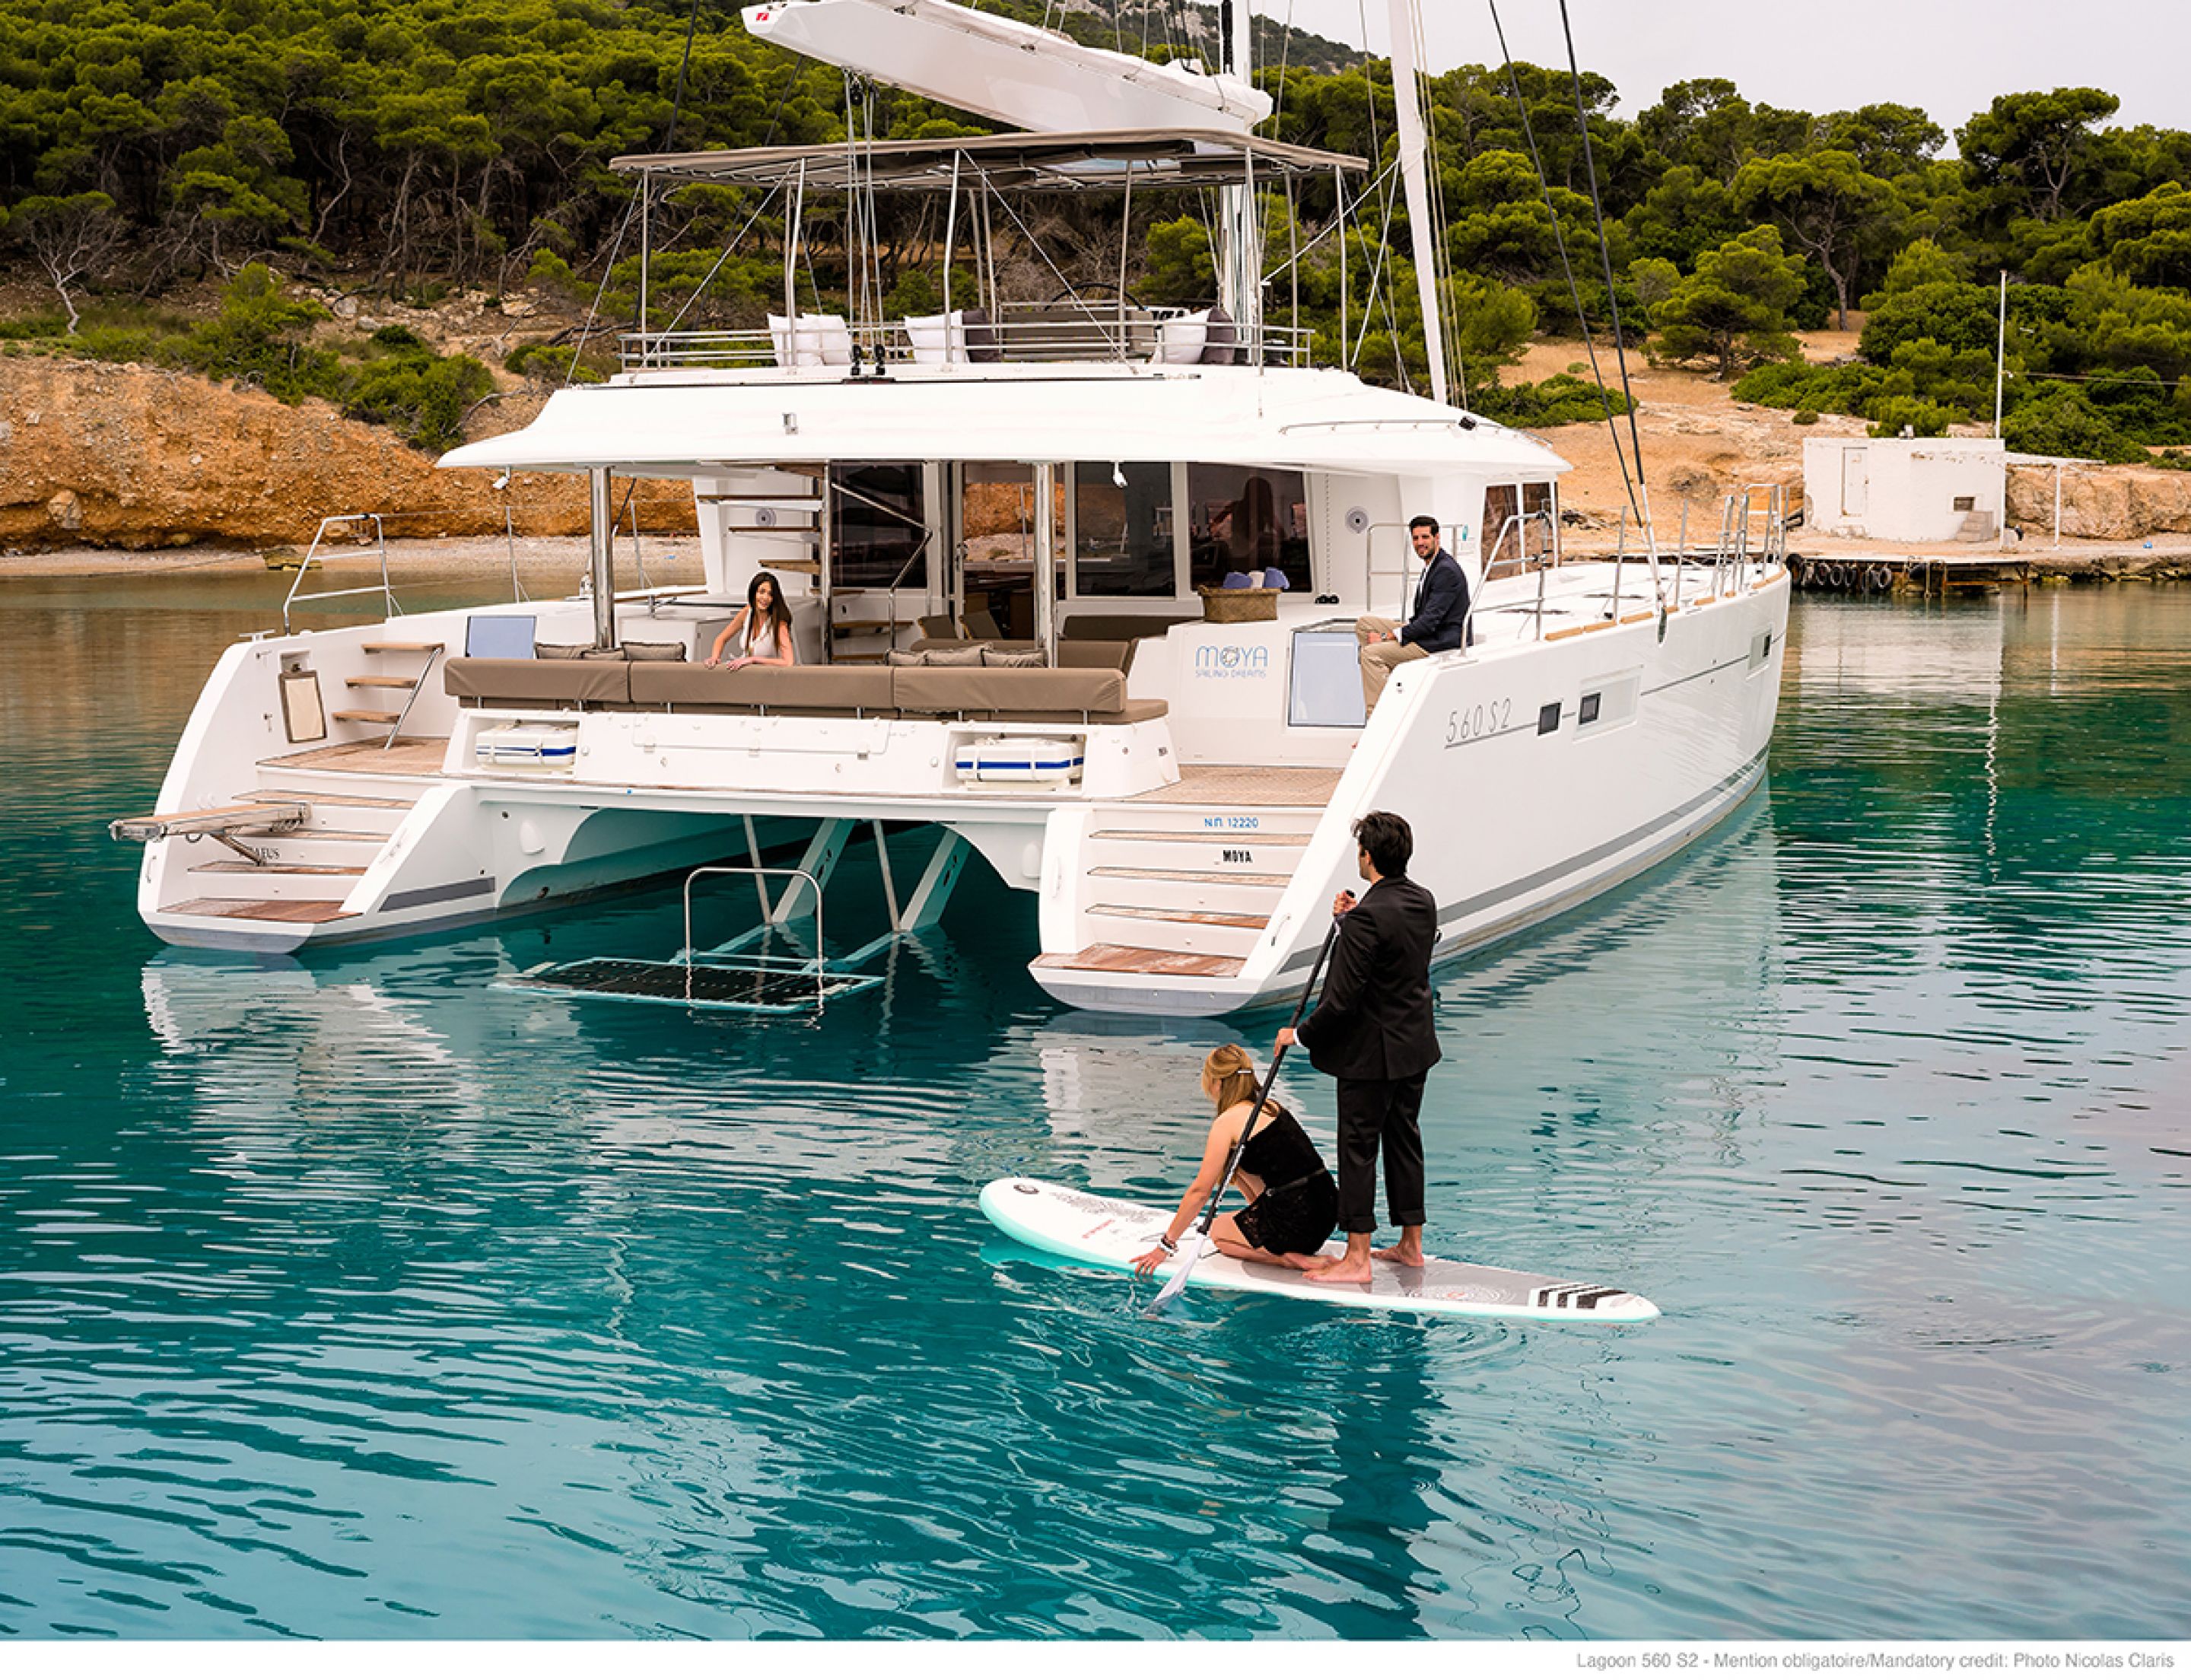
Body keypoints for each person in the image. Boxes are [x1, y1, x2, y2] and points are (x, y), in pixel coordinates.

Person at [1276, 810, 1439, 1286]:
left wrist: (1298, 1035)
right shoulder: (1422, 900)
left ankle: (1357, 1257)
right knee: (1404, 1140)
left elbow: (1342, 1001)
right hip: (1414, 1047)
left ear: (1367, 856)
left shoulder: (1367, 918)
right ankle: (1411, 1245)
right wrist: (1349, 922)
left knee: (1358, 1148)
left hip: (1371, 1057)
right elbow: (1393, 953)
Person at [1131, 1044, 1340, 1276]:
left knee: (1218, 1232)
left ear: (1216, 1083)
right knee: (1237, 1166)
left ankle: (1289, 1260)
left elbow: (1200, 1192)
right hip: (1326, 1215)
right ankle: (1272, 1233)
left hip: (1296, 1227)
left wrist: (1165, 1246)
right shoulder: (1271, 1107)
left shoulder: (1227, 1122)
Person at [1356, 515, 1470, 711]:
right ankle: (1388, 678)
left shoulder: (1446, 571)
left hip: (1439, 641)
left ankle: (1381, 715)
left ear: (1437, 538)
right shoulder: (1432, 565)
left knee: (1369, 655)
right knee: (1364, 625)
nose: (1420, 543)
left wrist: (1386, 637)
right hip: (1427, 632)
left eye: (1425, 537)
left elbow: (1429, 623)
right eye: (1416, 538)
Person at [704, 571, 797, 669]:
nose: (765, 598)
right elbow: (721, 639)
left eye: (770, 594)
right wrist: (715, 658)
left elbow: (788, 662)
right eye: (762, 592)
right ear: (754, 593)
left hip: (769, 674)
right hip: (746, 671)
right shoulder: (747, 612)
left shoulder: (779, 623)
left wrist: (753, 660)